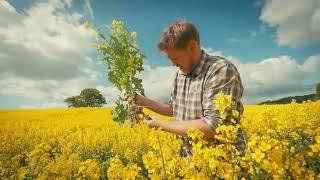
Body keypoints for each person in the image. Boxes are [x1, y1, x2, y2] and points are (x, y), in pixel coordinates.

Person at [135, 20, 246, 157]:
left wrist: (161, 125)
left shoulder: (220, 70)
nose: (173, 64)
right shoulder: (180, 74)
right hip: (189, 164)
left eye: (175, 58)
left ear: (192, 46)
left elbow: (214, 125)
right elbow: (174, 109)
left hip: (222, 164)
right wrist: (142, 101)